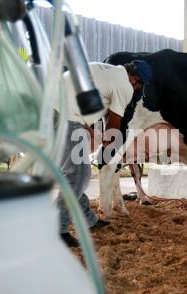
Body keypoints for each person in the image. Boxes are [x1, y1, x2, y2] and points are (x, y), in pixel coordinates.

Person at [57, 60, 153, 247]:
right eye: (140, 86)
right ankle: (57, 228)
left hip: (55, 108)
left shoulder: (108, 71)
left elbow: (77, 96)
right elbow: (115, 120)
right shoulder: (125, 86)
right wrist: (109, 146)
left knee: (74, 175)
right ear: (135, 80)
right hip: (64, 116)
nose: (138, 90)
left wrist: (91, 131)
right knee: (79, 175)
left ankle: (88, 220)